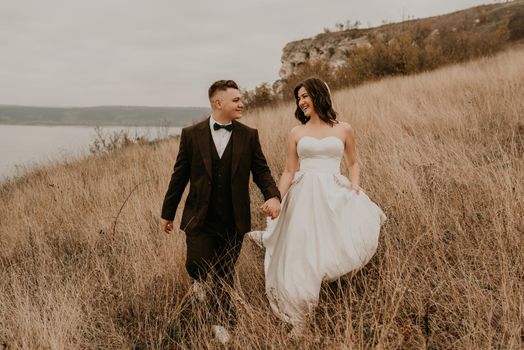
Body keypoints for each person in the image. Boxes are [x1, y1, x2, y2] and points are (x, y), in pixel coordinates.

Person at [248, 77, 387, 336]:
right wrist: (277, 198)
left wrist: (355, 188)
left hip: (333, 191)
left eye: (305, 96)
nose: (301, 102)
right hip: (304, 194)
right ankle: (301, 314)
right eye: (298, 98)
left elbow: (353, 163)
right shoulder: (296, 133)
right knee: (302, 250)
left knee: (330, 243)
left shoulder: (343, 129)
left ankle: (331, 284)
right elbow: (290, 170)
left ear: (319, 95)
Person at [160, 80, 281, 344]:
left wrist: (272, 195)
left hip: (233, 220)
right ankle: (199, 283)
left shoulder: (249, 135)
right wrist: (167, 212)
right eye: (236, 100)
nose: (241, 103)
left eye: (241, 99)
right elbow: (179, 176)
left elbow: (261, 170)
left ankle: (221, 322)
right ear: (218, 103)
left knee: (225, 274)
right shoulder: (191, 135)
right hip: (198, 217)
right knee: (197, 265)